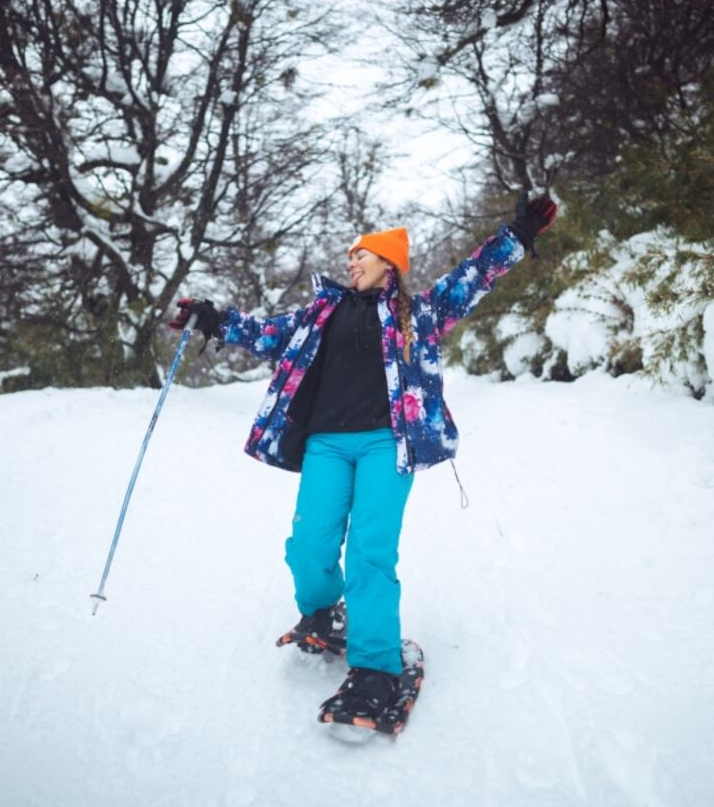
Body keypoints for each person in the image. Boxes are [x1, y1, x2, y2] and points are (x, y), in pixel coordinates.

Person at [170, 192, 556, 722]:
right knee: (309, 543)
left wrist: (518, 236)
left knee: (371, 552)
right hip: (325, 443)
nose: (350, 260)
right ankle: (324, 610)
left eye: (362, 254)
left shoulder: (420, 313)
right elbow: (265, 334)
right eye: (350, 254)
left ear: (389, 264)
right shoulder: (319, 313)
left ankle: (375, 668)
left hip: (386, 444)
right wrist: (212, 319)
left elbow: (474, 277)